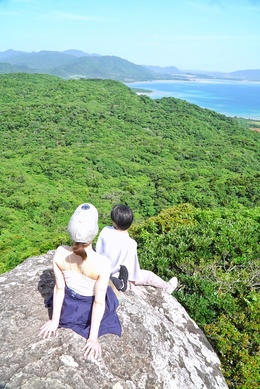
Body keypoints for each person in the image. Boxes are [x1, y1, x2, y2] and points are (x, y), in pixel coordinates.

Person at [39, 203, 121, 359]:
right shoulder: (103, 263)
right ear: (94, 233)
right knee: (111, 295)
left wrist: (55, 321)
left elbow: (59, 289)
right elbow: (98, 302)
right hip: (87, 310)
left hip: (68, 306)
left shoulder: (60, 253)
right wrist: (92, 338)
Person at [95, 204, 178, 299]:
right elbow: (130, 267)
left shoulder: (105, 231)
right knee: (149, 276)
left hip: (101, 272)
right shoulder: (130, 243)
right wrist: (132, 285)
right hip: (119, 278)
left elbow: (98, 250)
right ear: (130, 223)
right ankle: (168, 287)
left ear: (114, 221)